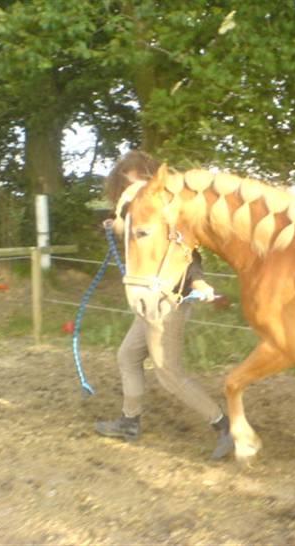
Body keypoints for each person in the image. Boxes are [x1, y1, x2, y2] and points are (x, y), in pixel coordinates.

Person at [95, 150, 233, 460]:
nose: (133, 189)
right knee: (128, 355)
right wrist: (115, 225)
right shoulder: (141, 214)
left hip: (167, 302)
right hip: (151, 301)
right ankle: (130, 422)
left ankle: (224, 426)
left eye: (136, 180)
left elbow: (188, 257)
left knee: (169, 373)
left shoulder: (171, 214)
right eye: (128, 184)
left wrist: (198, 283)